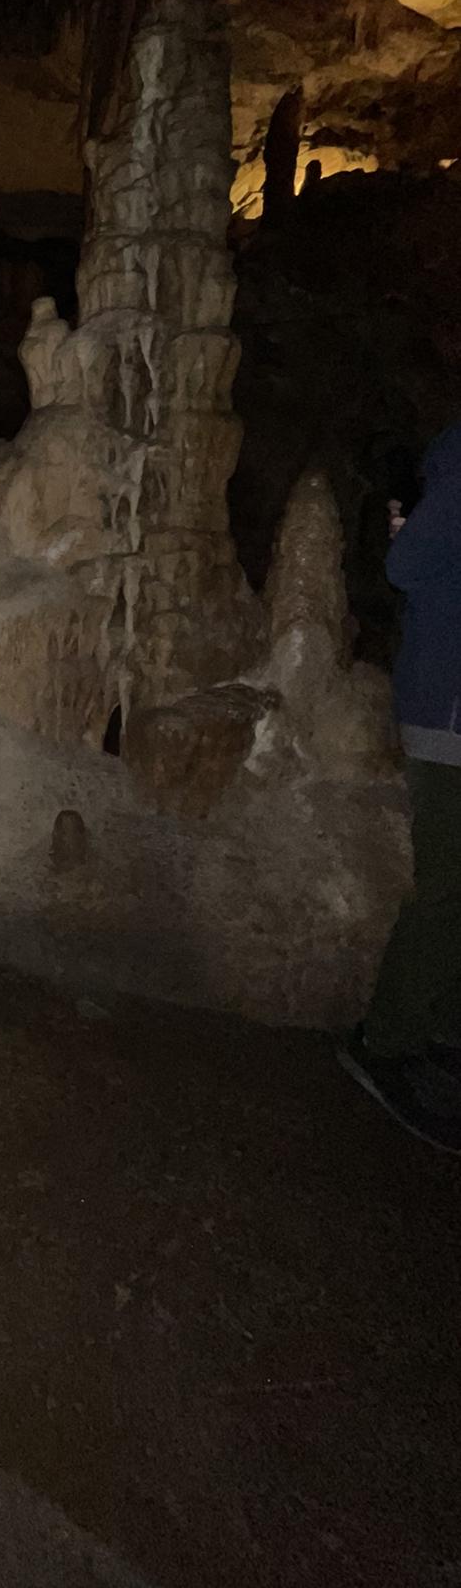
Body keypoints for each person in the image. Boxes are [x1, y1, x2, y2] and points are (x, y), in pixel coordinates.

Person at [339, 421, 461, 1154]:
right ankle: (385, 1042)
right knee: (444, 883)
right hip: (448, 710)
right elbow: (407, 565)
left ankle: (437, 1026)